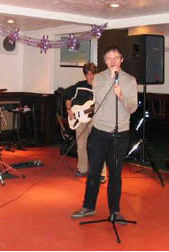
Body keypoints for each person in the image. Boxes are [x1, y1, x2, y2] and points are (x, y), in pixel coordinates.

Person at [71, 45, 138, 222]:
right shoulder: (99, 78)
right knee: (93, 172)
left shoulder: (130, 80)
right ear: (105, 61)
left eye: (116, 58)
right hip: (99, 132)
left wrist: (122, 95)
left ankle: (115, 211)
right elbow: (100, 97)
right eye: (109, 58)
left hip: (120, 132)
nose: (113, 61)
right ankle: (88, 206)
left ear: (121, 60)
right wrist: (112, 79)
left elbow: (132, 108)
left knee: (115, 174)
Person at [65, 62, 107, 183]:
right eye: (88, 74)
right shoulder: (79, 86)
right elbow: (68, 95)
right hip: (80, 120)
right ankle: (82, 169)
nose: (91, 76)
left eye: (92, 74)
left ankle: (101, 173)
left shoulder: (101, 87)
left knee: (98, 146)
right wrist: (69, 110)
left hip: (95, 120)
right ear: (85, 75)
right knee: (81, 146)